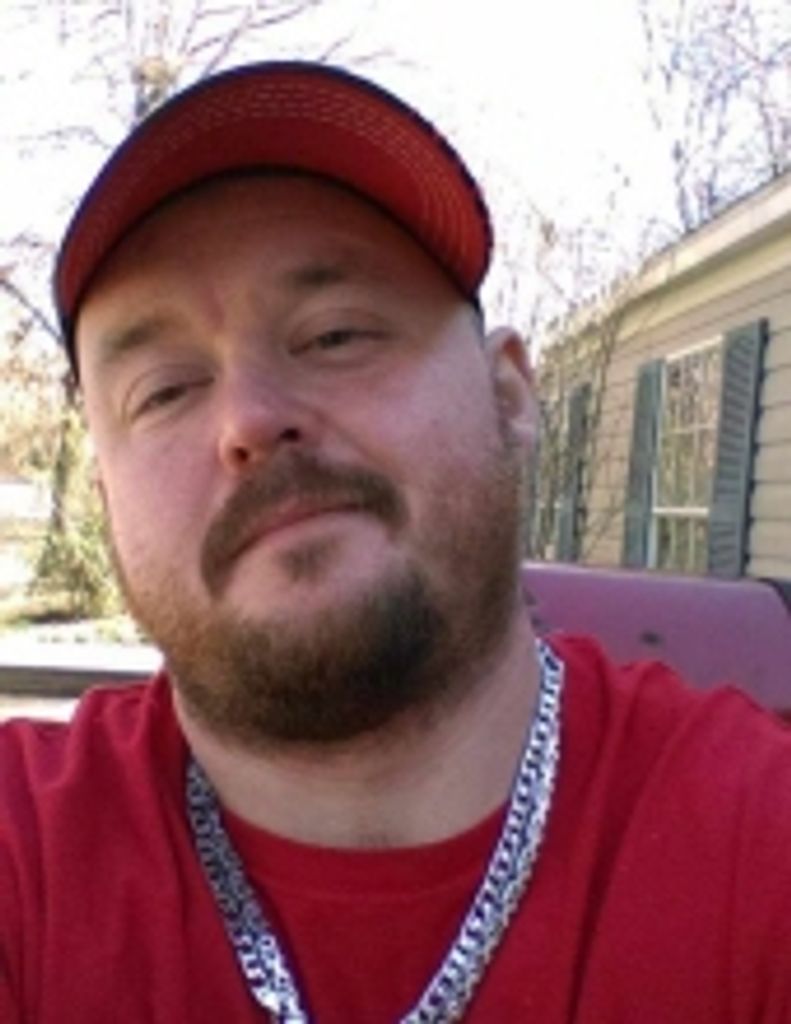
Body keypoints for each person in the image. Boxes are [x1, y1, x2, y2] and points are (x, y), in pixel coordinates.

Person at [2, 61, 791, 1024]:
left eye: (336, 335)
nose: (249, 419)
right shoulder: (23, 856)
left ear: (507, 396)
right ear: (105, 497)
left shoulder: (757, 838)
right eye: (163, 391)